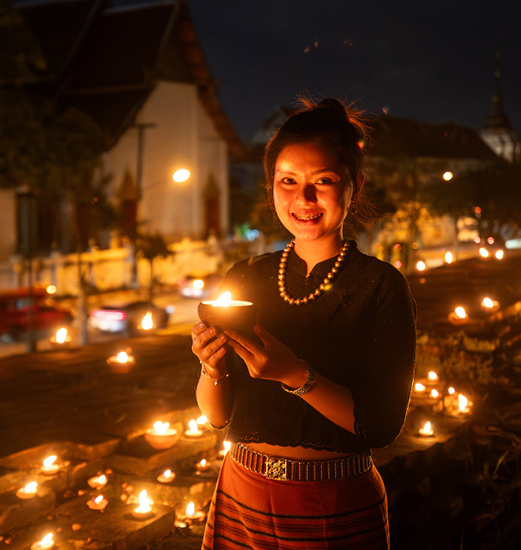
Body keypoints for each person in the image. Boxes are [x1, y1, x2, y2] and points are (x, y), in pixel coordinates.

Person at [191, 97, 416, 549]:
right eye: (287, 181)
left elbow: (381, 426)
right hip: (241, 487)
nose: (303, 199)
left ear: (355, 185)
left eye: (324, 181)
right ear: (272, 187)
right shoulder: (246, 276)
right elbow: (216, 416)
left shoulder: (379, 286)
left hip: (334, 501)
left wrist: (294, 373)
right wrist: (211, 368)